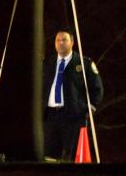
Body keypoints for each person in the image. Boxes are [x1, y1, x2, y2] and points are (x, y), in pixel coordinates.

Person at [43, 30, 103, 161]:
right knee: (49, 155)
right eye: (58, 40)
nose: (61, 43)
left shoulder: (83, 63)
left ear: (72, 42)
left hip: (73, 116)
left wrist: (90, 108)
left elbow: (97, 89)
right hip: (51, 116)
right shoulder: (47, 63)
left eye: (64, 40)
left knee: (72, 154)